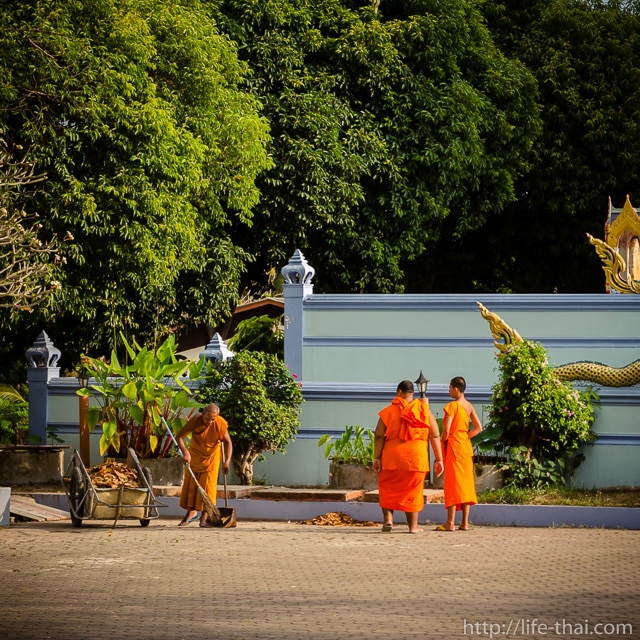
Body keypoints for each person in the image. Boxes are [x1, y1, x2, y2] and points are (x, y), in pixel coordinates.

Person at [372, 380, 444, 533]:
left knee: (388, 488)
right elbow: (435, 435)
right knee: (413, 491)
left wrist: (377, 457)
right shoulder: (424, 410)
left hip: (392, 458)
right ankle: (413, 527)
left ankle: (388, 520)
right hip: (416, 459)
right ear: (412, 394)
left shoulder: (388, 412)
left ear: (399, 392)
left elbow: (379, 436)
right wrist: (439, 459)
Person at [435, 376, 483, 531]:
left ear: (456, 388)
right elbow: (478, 428)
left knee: (453, 484)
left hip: (454, 447)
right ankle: (464, 523)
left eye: (449, 388)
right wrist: (465, 436)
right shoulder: (469, 406)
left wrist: (443, 440)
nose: (449, 391)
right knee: (466, 484)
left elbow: (447, 429)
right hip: (465, 447)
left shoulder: (452, 406)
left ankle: (450, 523)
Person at [176, 403, 233, 527]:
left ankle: (205, 516)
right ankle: (191, 512)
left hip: (211, 458)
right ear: (203, 414)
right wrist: (185, 452)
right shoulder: (195, 420)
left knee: (208, 487)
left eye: (213, 419)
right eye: (208, 419)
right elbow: (179, 437)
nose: (211, 422)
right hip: (194, 455)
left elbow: (228, 442)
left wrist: (227, 461)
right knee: (191, 485)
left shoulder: (220, 423)